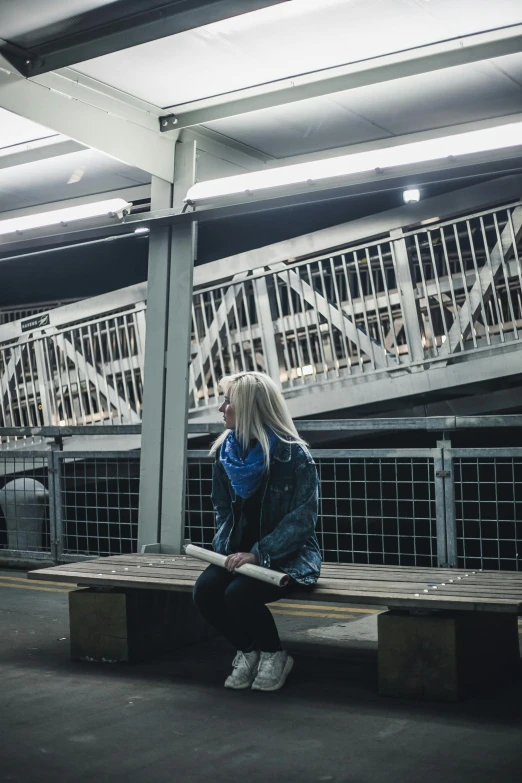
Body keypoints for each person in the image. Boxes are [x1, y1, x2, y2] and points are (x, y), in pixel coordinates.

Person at [192, 371, 322, 692]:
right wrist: (224, 548)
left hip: (285, 557)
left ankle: (275, 654)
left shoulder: (294, 456)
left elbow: (301, 521)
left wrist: (258, 553)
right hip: (237, 555)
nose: (221, 409)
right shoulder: (226, 454)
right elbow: (222, 508)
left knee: (238, 595)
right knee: (205, 592)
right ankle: (249, 650)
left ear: (249, 408)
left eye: (228, 402)